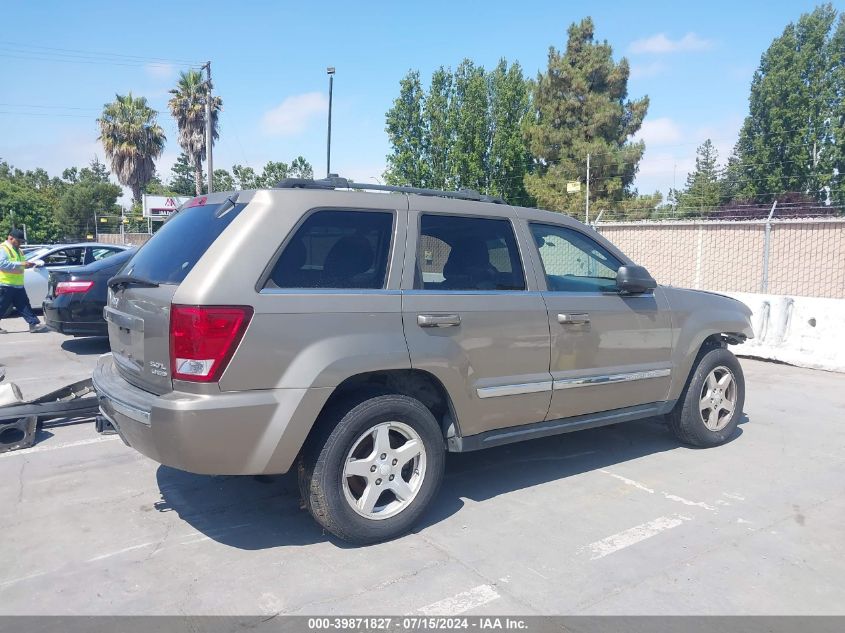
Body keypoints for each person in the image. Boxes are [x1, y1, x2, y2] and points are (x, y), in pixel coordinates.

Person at [0, 228, 48, 334]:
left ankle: (34, 324)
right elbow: (2, 264)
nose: (20, 244)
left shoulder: (19, 250)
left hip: (18, 285)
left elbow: (20, 265)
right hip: (5, 284)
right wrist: (22, 264)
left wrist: (29, 264)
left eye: (22, 242)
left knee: (24, 305)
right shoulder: (3, 248)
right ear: (10, 238)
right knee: (1, 306)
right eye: (19, 241)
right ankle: (34, 324)